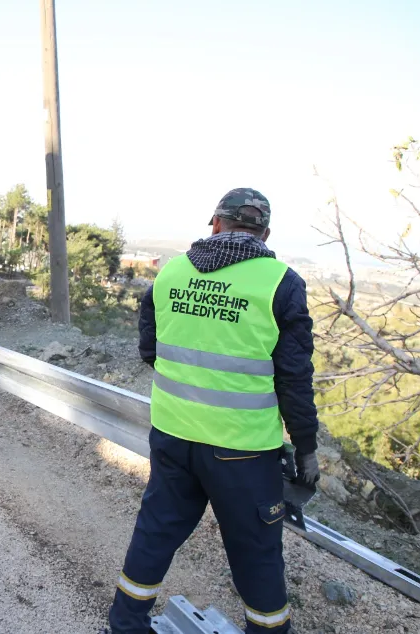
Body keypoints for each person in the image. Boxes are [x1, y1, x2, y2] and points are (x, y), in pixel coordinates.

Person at [104, 188, 321, 634]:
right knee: (256, 552)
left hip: (172, 434)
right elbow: (295, 380)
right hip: (242, 450)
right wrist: (307, 448)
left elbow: (151, 349)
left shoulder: (170, 274)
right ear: (265, 233)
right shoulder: (282, 283)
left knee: (155, 532)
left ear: (216, 223)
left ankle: (125, 625)